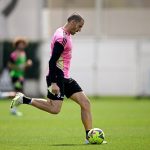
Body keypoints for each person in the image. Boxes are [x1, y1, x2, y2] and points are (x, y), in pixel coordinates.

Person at [11, 13, 99, 143]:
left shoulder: (64, 33)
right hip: (57, 77)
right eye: (79, 26)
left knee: (85, 103)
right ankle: (23, 100)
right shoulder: (61, 38)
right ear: (73, 23)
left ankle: (89, 137)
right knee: (54, 109)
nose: (80, 30)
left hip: (65, 77)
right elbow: (52, 61)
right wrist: (53, 83)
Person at [8, 37, 32, 116]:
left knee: (19, 94)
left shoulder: (23, 54)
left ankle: (13, 109)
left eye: (23, 44)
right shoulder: (14, 54)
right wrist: (22, 66)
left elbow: (24, 65)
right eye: (20, 44)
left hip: (21, 76)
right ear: (17, 45)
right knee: (19, 93)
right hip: (15, 75)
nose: (22, 45)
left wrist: (28, 64)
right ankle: (13, 109)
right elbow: (10, 65)